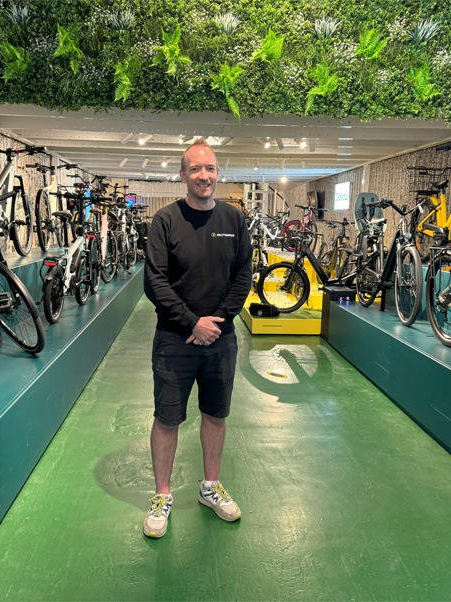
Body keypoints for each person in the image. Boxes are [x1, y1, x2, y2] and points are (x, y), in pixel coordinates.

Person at [142, 139, 252, 538]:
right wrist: (192, 323)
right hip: (174, 340)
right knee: (167, 417)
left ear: (217, 173)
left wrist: (217, 321)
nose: (204, 176)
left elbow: (243, 276)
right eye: (195, 169)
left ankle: (210, 487)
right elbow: (154, 282)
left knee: (215, 414)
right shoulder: (165, 221)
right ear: (183, 174)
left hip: (220, 340)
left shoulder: (234, 220)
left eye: (210, 169)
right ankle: (162, 494)